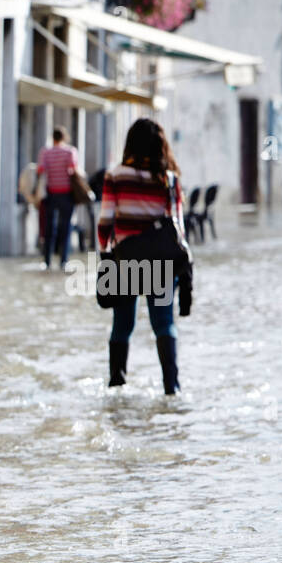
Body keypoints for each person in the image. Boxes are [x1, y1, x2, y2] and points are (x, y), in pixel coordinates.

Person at [96, 117, 191, 395]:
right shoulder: (169, 179)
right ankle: (171, 388)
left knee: (122, 326)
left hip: (125, 261)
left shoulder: (115, 175)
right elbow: (177, 228)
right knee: (164, 324)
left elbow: (105, 221)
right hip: (161, 264)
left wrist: (105, 255)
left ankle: (116, 385)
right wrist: (185, 264)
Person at [37, 126, 82, 271]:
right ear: (64, 137)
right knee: (66, 228)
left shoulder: (46, 152)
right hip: (66, 194)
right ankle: (64, 260)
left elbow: (40, 170)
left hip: (51, 194)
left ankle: (47, 260)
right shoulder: (70, 151)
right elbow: (73, 169)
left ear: (53, 138)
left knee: (49, 228)